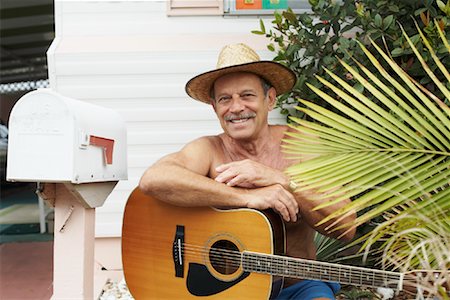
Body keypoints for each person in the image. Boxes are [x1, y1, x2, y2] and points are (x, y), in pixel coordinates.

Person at [139, 43, 356, 300]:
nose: (236, 107)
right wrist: (247, 198)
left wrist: (281, 180)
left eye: (247, 95)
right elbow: (153, 180)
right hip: (229, 292)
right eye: (225, 99)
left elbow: (346, 227)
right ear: (214, 107)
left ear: (270, 99)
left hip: (297, 288)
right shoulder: (209, 149)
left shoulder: (302, 145)